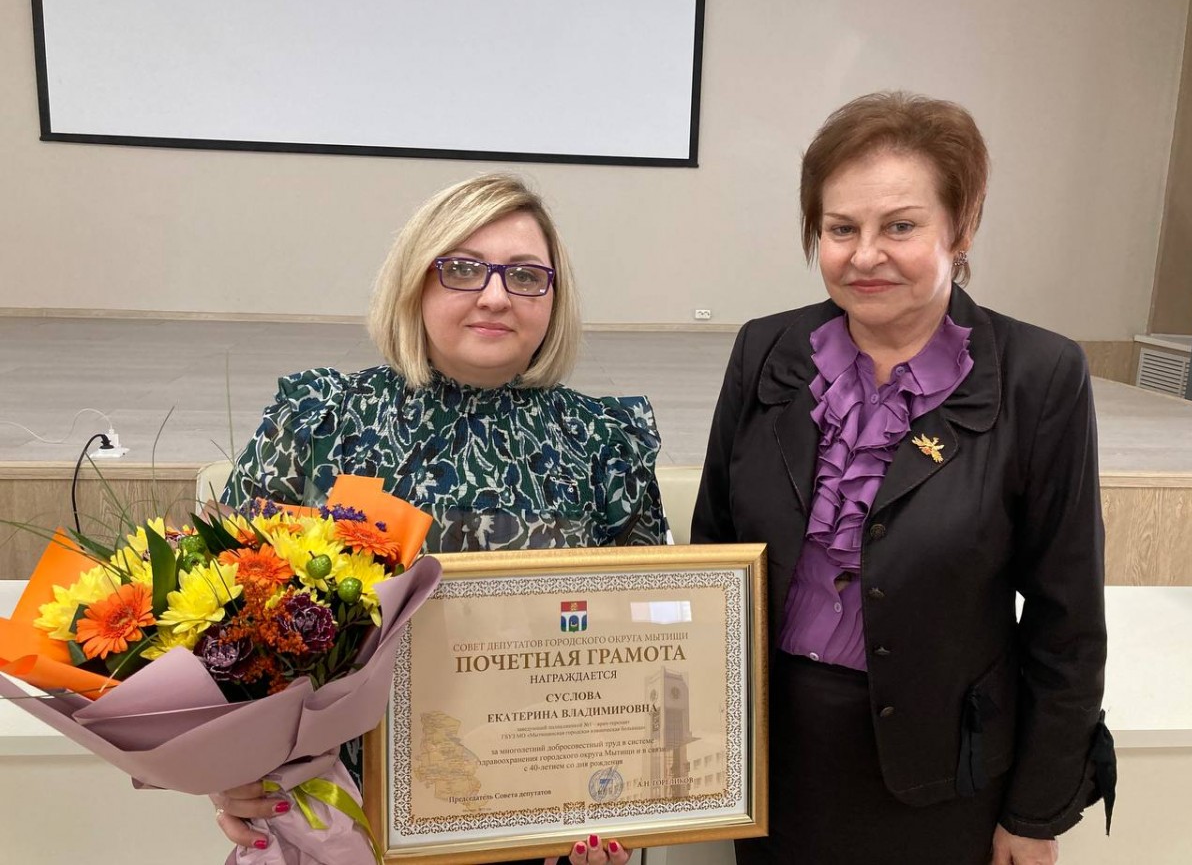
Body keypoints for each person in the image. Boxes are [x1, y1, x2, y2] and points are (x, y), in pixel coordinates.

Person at [692, 92, 1114, 865]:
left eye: (900, 226)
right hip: (772, 763)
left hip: (942, 776)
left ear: (962, 227)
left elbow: (1068, 621)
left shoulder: (1041, 375)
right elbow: (713, 550)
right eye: (840, 229)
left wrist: (1035, 813)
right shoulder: (765, 351)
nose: (864, 255)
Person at [210, 174, 661, 865]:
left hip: (535, 826)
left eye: (526, 276)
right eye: (463, 268)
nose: (495, 295)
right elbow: (220, 621)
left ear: (554, 298)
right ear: (414, 281)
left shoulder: (603, 443)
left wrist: (625, 796)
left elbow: (648, 638)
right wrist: (227, 766)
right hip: (339, 824)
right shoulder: (318, 423)